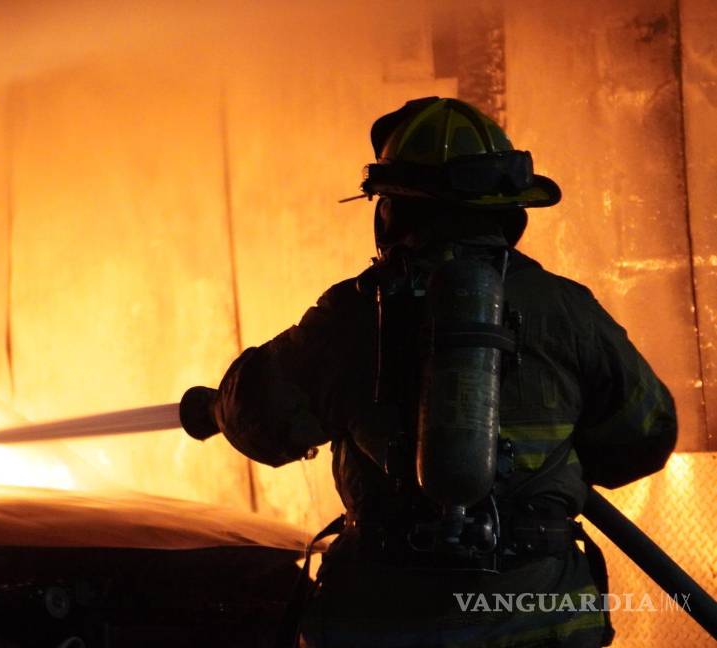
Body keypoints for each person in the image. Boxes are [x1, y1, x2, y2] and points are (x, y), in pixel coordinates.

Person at [181, 97, 678, 647]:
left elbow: (259, 417)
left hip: (385, 624)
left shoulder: (352, 316)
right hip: (542, 622)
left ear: (393, 212)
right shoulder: (567, 310)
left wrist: (214, 408)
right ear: (509, 212)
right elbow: (645, 436)